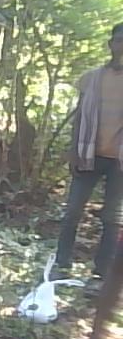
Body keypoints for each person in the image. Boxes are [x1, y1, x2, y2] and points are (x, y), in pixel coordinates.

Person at [55, 22, 123, 278]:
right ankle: (62, 264)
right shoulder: (91, 78)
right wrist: (73, 151)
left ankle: (101, 272)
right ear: (111, 44)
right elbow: (80, 116)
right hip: (89, 154)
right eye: (119, 41)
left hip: (119, 162)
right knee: (73, 210)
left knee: (112, 217)